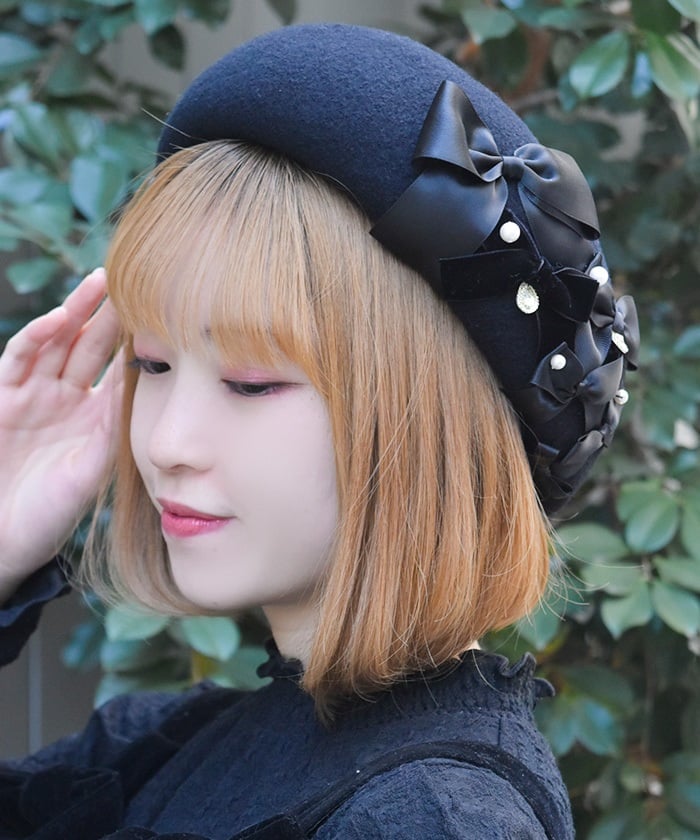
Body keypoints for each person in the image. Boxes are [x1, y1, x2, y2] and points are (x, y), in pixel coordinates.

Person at [0, 23, 638, 840]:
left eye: (251, 382)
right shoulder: (164, 749)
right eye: (152, 364)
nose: (165, 444)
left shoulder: (430, 818)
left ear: (426, 418)